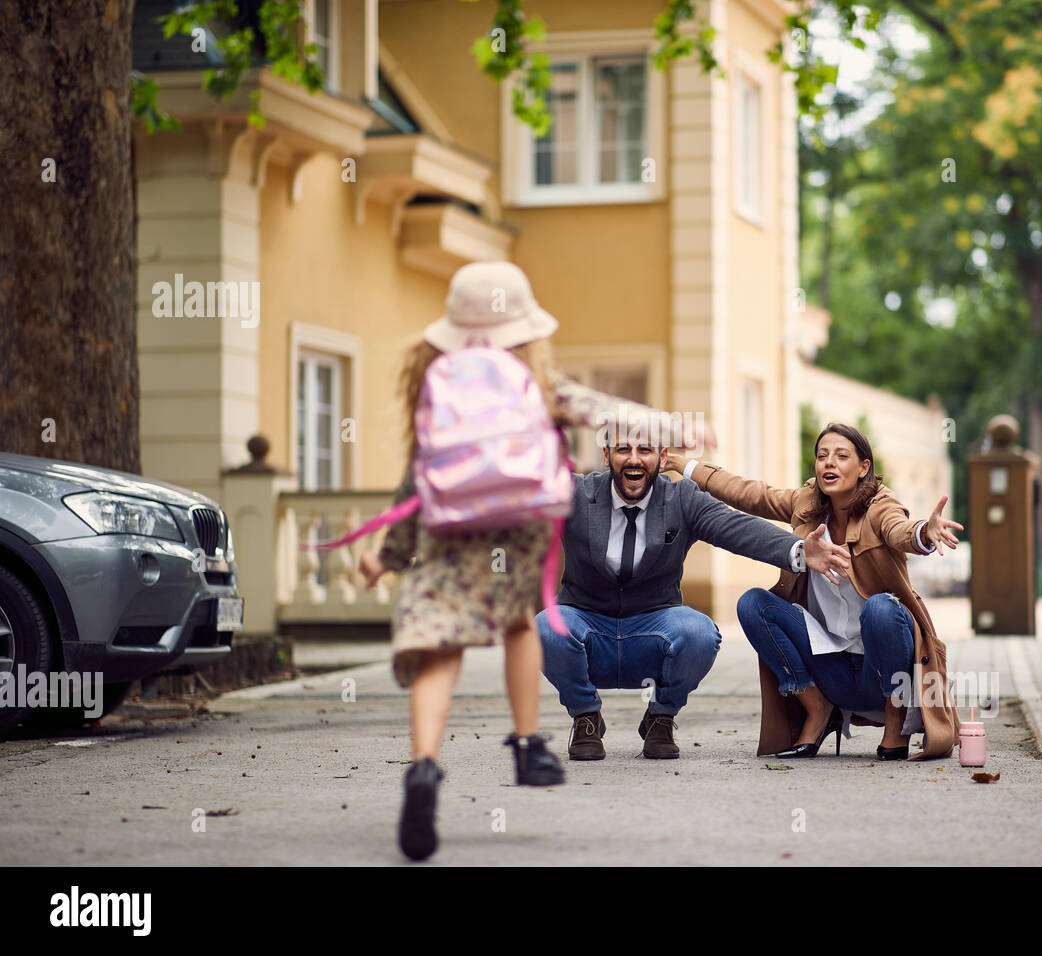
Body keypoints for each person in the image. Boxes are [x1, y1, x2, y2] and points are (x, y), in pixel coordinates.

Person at [357, 261, 685, 860]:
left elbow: (416, 474)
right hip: (517, 525)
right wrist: (678, 427)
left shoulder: (435, 378)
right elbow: (600, 410)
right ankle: (528, 742)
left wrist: (388, 553)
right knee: (520, 624)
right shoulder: (536, 378)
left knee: (440, 648)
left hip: (449, 532)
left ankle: (424, 767)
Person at [536, 432, 851, 761]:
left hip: (653, 629)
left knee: (699, 632)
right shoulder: (575, 493)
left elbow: (737, 528)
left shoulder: (681, 499)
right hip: (587, 624)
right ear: (606, 456)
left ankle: (661, 716)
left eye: (644, 449)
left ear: (661, 457)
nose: (633, 459)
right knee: (545, 628)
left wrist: (799, 550)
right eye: (622, 450)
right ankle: (585, 715)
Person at [664, 422, 963, 761]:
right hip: (829, 666)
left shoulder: (881, 506)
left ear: (864, 467)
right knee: (754, 604)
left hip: (878, 670)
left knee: (881, 609)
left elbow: (900, 530)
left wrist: (925, 532)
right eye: (822, 456)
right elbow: (748, 493)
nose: (828, 464)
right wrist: (681, 465)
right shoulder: (806, 503)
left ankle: (894, 723)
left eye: (841, 456)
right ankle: (816, 707)